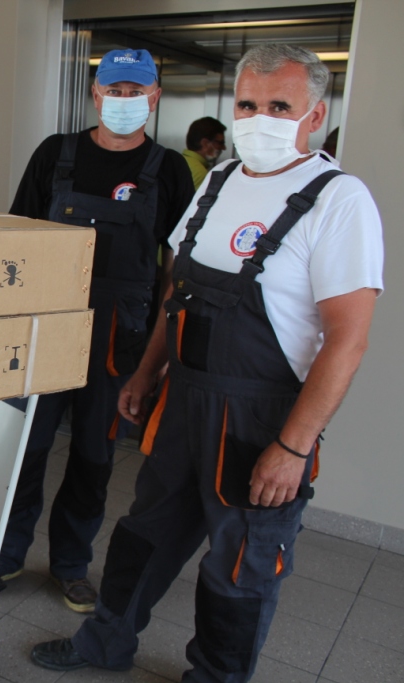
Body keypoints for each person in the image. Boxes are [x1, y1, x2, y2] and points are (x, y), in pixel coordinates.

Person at [29, 43, 383, 682]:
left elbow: (347, 341)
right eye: (247, 104)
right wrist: (146, 373)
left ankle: (216, 676)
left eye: (279, 106)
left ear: (315, 115)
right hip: (185, 400)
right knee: (145, 529)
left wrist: (294, 447)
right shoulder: (219, 182)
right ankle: (105, 641)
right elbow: (177, 291)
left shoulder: (338, 201)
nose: (259, 118)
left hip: (260, 418)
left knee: (241, 559)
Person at [0, 48, 194, 613]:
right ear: (96, 95)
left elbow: (177, 269)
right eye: (114, 90)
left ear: (154, 98)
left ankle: (72, 564)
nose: (124, 101)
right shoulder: (56, 154)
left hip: (119, 338)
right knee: (26, 447)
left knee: (95, 456)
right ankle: (5, 555)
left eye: (135, 92)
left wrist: (159, 352)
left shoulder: (167, 169)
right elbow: (15, 239)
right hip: (46, 327)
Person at [182, 117, 227, 189]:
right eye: (220, 143)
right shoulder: (201, 173)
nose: (224, 148)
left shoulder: (178, 161)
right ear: (205, 143)